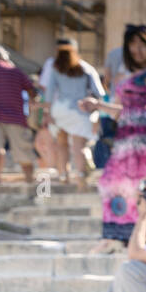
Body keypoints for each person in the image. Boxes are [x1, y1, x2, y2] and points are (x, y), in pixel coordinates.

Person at [84, 25, 146, 248]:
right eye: (132, 45)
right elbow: (118, 111)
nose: (137, 50)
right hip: (124, 139)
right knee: (111, 183)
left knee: (144, 187)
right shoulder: (123, 76)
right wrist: (97, 105)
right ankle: (118, 233)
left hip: (145, 139)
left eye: (141, 44)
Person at [41, 37, 105, 185]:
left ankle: (64, 176)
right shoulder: (86, 68)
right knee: (79, 147)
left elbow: (49, 93)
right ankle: (81, 178)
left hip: (60, 110)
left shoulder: (55, 69)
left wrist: (47, 114)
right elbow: (99, 93)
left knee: (62, 144)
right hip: (80, 110)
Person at [0, 45, 40, 182]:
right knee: (24, 151)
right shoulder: (15, 71)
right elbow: (32, 91)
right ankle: (30, 181)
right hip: (15, 117)